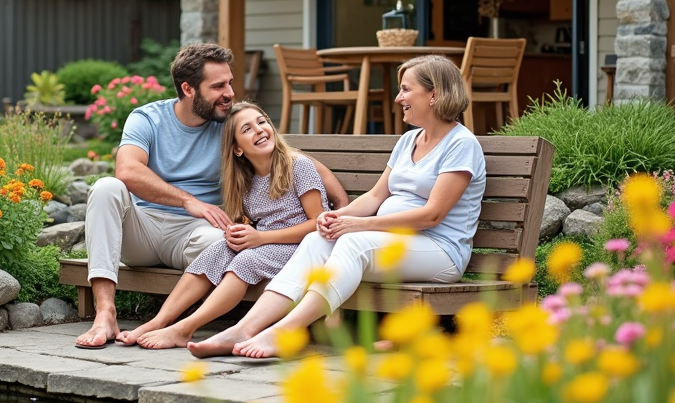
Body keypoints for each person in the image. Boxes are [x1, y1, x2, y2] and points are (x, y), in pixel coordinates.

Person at [187, 54, 486, 359]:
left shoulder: (460, 145)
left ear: (433, 94)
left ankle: (284, 332)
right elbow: (374, 197)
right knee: (317, 237)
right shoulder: (409, 141)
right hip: (394, 244)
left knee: (353, 242)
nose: (398, 98)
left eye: (406, 90)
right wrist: (334, 218)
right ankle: (244, 328)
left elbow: (432, 215)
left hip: (440, 251)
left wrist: (358, 225)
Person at [75, 43, 348, 349]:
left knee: (231, 247)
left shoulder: (231, 124)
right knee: (105, 187)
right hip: (144, 229)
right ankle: (105, 313)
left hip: (200, 234)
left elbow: (300, 162)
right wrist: (187, 201)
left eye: (229, 82)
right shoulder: (148, 119)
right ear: (189, 88)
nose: (229, 93)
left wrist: (341, 211)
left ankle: (180, 326)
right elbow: (127, 171)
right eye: (218, 86)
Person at [119, 102, 329, 349]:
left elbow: (318, 224)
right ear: (238, 149)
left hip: (304, 246)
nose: (259, 130)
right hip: (269, 244)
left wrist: (261, 238)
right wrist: (238, 232)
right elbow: (252, 222)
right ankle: (159, 321)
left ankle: (185, 328)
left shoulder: (298, 166)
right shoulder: (245, 181)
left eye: (262, 122)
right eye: (247, 129)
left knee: (246, 261)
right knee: (216, 252)